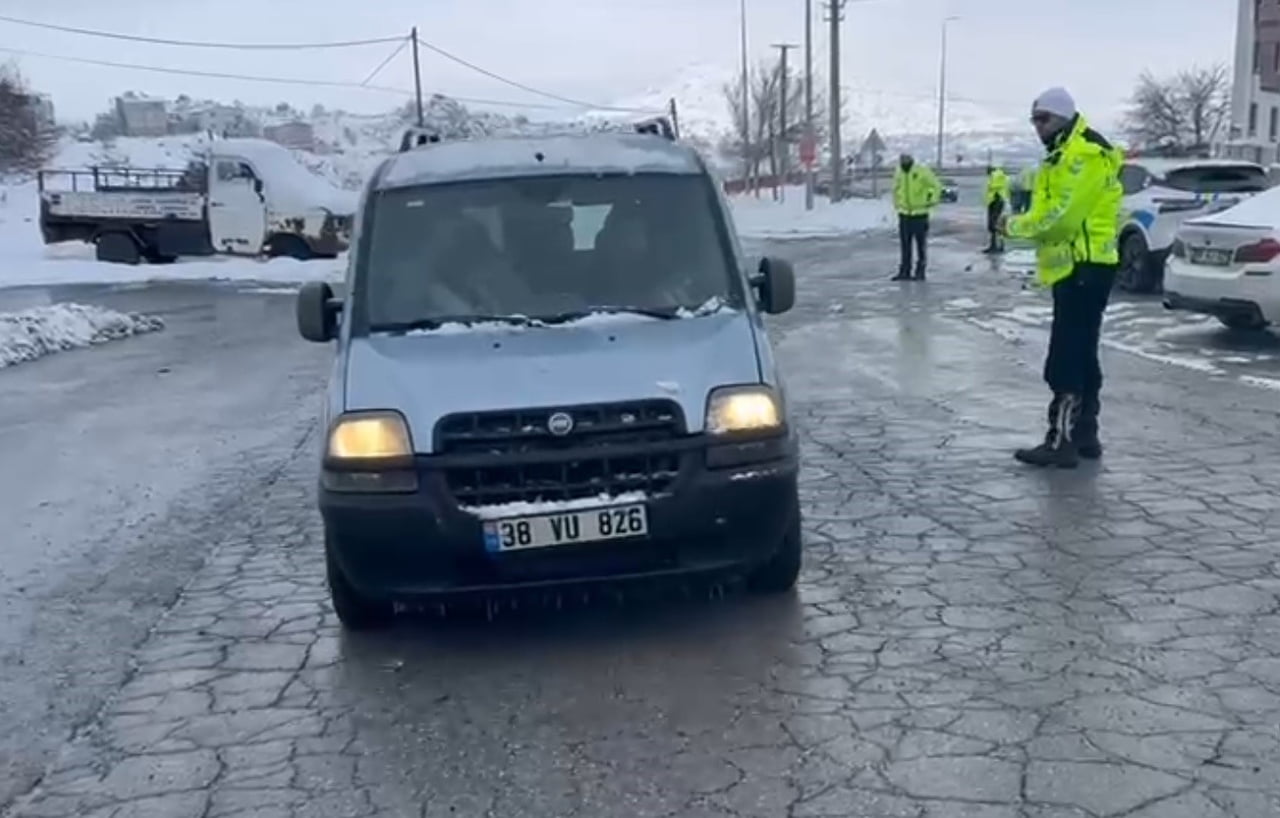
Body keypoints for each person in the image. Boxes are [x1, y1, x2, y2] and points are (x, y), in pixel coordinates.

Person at [1000, 87, 1123, 468]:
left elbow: (1062, 218)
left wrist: (1014, 226)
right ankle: (1085, 433)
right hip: (1078, 267)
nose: (1038, 127)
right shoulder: (1061, 155)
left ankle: (1061, 439)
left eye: (1044, 119)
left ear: (1063, 118)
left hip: (1084, 266)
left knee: (1066, 355)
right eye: (1034, 120)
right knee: (1082, 351)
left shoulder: (1082, 156)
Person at [891, 153, 942, 281]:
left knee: (920, 245)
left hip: (920, 214)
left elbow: (936, 186)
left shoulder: (921, 171)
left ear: (912, 159)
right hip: (904, 214)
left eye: (906, 158)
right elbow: (895, 189)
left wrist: (931, 199)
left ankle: (920, 271)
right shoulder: (899, 172)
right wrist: (897, 203)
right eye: (901, 158)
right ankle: (905, 271)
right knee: (905, 245)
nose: (903, 160)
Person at [983, 165, 1011, 254]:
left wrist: (992, 196)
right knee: (994, 225)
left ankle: (996, 246)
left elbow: (994, 186)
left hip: (996, 201)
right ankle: (996, 246)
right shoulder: (999, 175)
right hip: (996, 201)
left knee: (994, 225)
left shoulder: (996, 175)